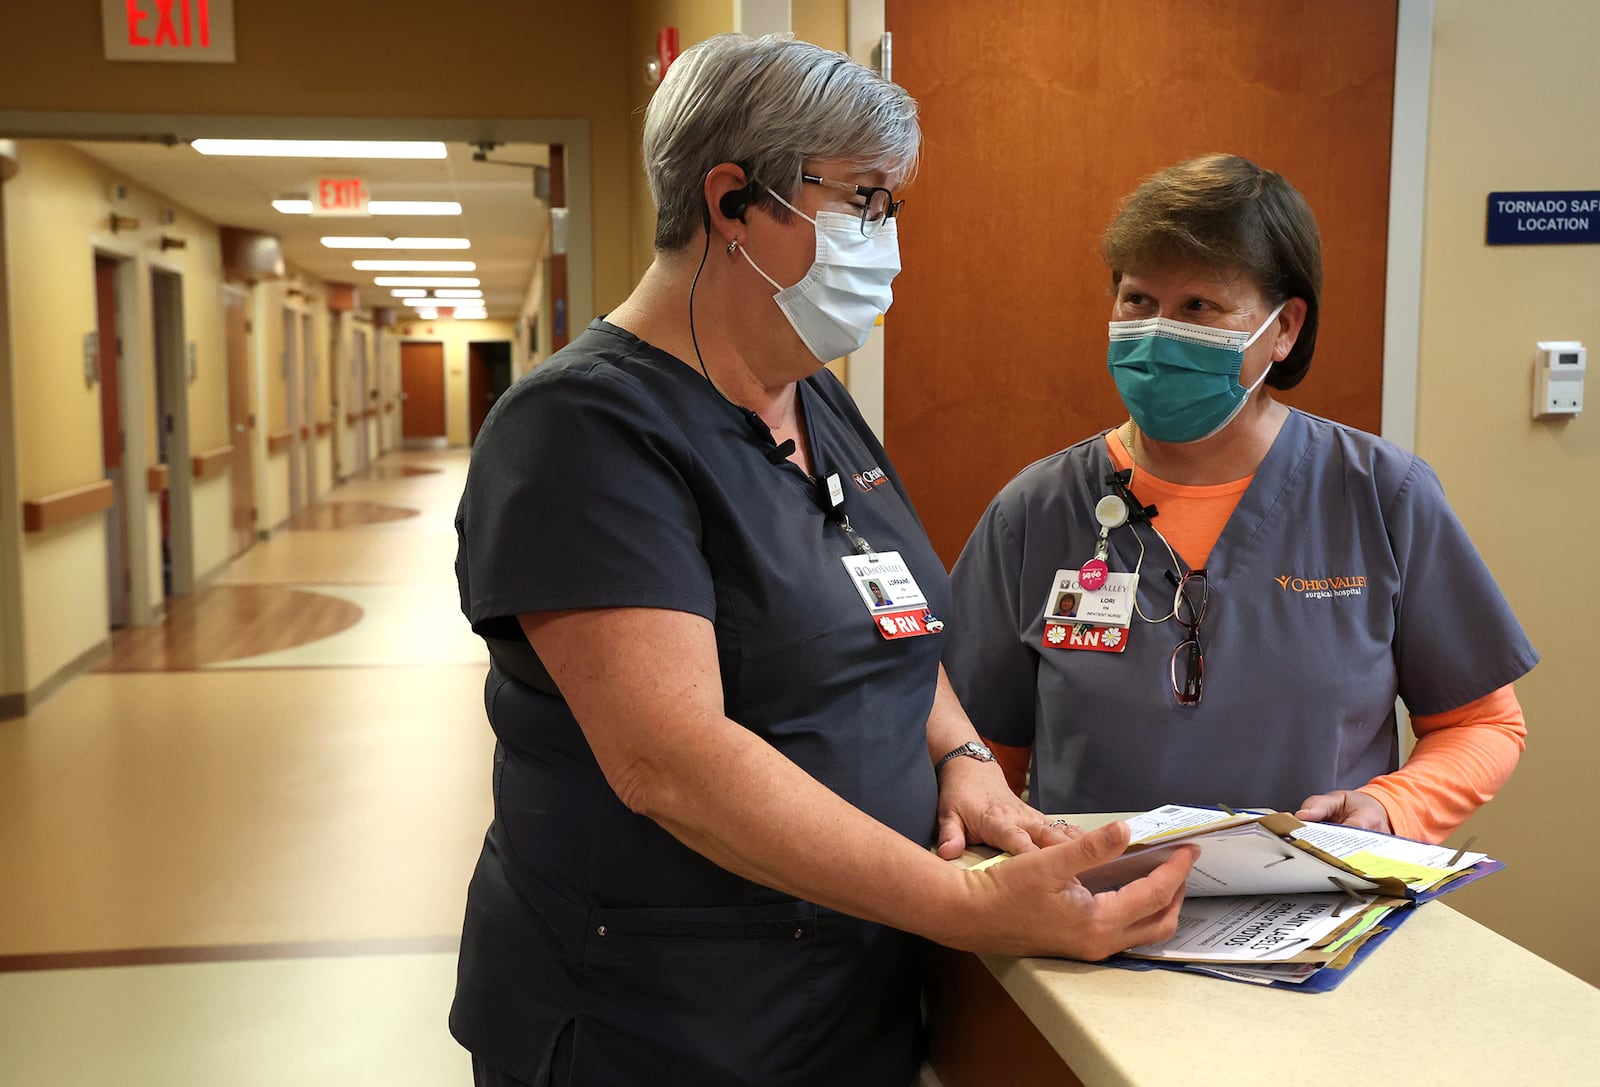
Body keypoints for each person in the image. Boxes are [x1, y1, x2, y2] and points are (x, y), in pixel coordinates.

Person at [450, 34, 1195, 1087]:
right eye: (863, 200)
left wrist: (961, 759)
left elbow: (885, 623)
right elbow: (667, 760)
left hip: (845, 990)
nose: (885, 238)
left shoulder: (808, 394)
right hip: (658, 1019)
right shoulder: (580, 432)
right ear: (733, 201)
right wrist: (962, 904)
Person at [946, 153, 1538, 844]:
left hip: (1317, 913)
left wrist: (1391, 806)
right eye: (1138, 300)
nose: (1159, 332)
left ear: (1283, 328)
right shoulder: (1035, 511)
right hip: (1091, 921)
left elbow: (1482, 722)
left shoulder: (1381, 494)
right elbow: (978, 756)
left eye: (1199, 305)